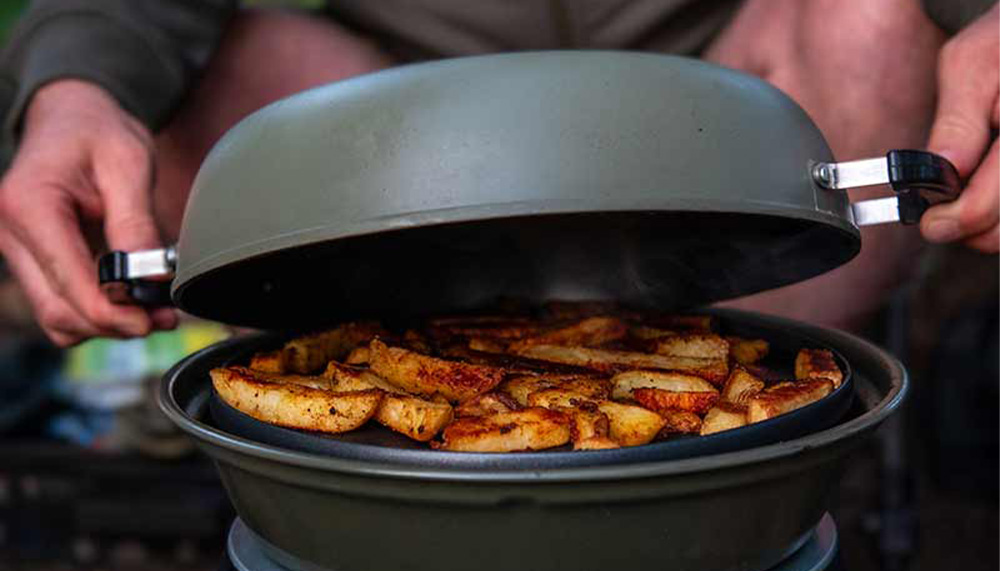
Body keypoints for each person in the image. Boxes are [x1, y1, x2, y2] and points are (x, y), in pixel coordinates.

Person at [0, 0, 995, 347]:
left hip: (718, 105)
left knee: (867, 17)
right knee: (211, 84)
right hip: (409, 127)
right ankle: (415, 449)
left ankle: (740, 438)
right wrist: (78, 81)